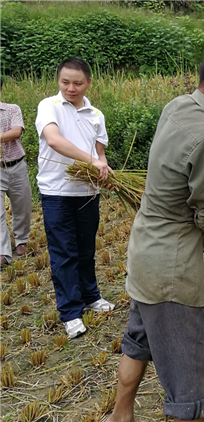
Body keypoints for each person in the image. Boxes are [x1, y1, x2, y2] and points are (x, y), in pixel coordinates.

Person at [106, 50, 204, 422]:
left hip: (145, 251)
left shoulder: (180, 105)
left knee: (137, 343)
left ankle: (120, 416)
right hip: (171, 272)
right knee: (189, 383)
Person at [35, 58, 115, 339]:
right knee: (63, 253)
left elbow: (101, 153)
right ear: (58, 81)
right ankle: (70, 312)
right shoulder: (49, 106)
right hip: (56, 192)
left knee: (86, 249)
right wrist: (92, 160)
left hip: (87, 192)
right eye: (65, 82)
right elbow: (54, 140)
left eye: (77, 83)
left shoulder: (96, 114)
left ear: (88, 83)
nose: (71, 88)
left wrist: (103, 167)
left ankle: (91, 296)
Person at [0, 76, 32, 267]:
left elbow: (16, 131)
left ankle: (21, 240)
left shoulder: (12, 109)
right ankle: (3, 251)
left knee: (22, 207)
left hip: (16, 165)